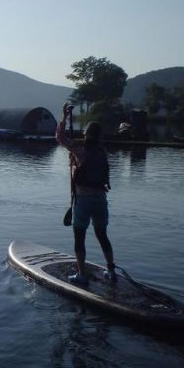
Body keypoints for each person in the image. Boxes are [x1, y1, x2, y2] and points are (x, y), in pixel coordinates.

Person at [56, 102, 116, 286]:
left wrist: (64, 117)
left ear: (85, 134)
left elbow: (59, 136)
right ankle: (111, 271)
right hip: (100, 199)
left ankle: (81, 275)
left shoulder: (79, 149)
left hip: (83, 201)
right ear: (99, 137)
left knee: (79, 236)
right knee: (102, 235)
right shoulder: (102, 152)